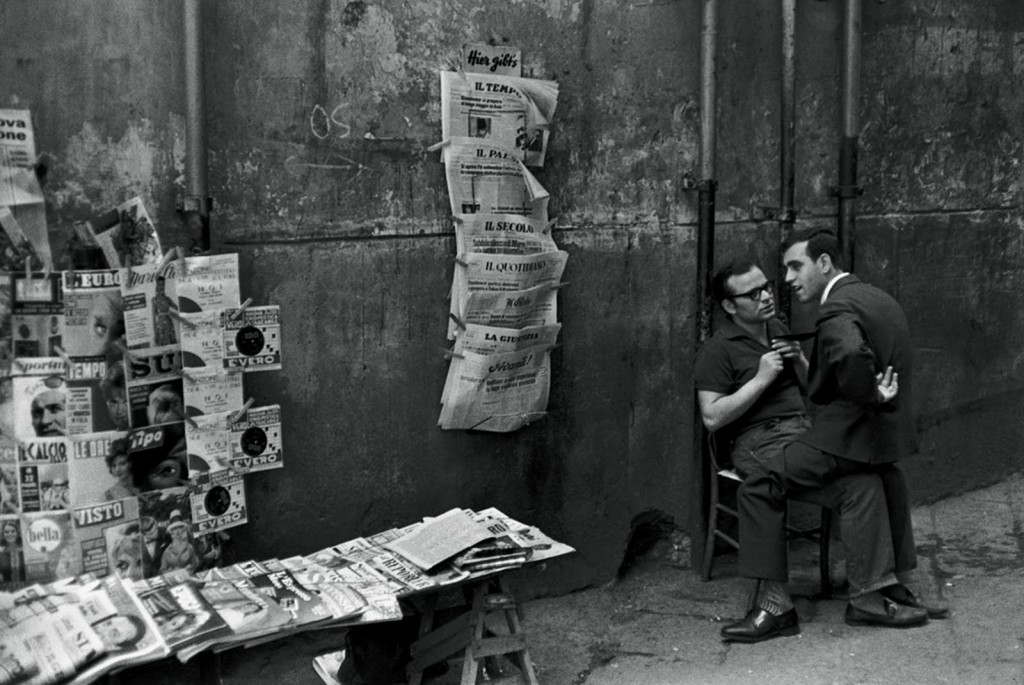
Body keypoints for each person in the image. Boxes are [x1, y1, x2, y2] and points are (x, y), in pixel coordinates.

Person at [722, 228, 944, 642]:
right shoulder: (877, 297)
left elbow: (847, 353)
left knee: (757, 489)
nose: (786, 280)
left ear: (824, 263)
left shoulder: (834, 308)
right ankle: (881, 591)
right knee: (880, 481)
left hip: (840, 436)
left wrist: (869, 394)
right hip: (874, 437)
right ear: (729, 307)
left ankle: (775, 607)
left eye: (795, 266)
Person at [159, 509, 200, 574]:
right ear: (171, 533)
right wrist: (173, 572)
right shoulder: (167, 552)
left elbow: (196, 563)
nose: (177, 531)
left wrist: (191, 567)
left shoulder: (189, 547)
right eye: (174, 528)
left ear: (183, 530)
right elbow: (162, 571)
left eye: (180, 527)